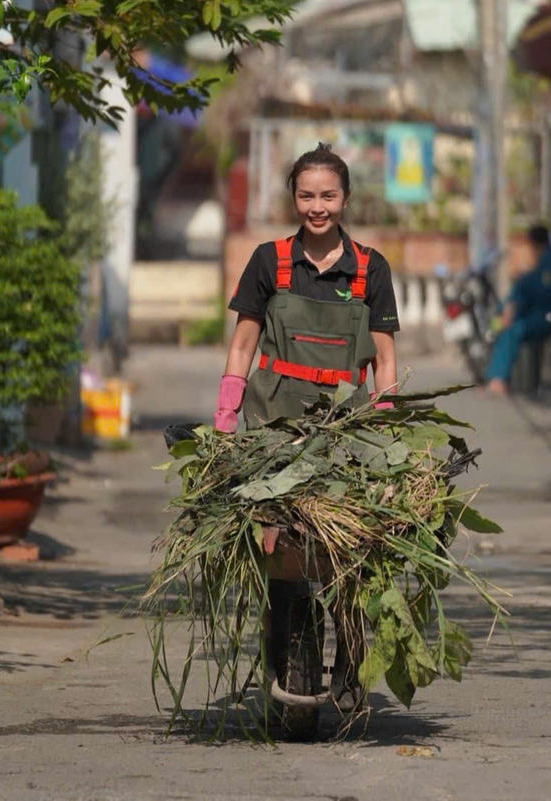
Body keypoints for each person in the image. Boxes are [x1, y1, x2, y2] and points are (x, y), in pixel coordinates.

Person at [212, 142, 400, 708]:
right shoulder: (269, 260)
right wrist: (225, 419)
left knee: (355, 548)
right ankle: (285, 642)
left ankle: (350, 646)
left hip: (346, 433)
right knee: (279, 547)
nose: (317, 206)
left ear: (344, 198)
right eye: (306, 195)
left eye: (328, 195)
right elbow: (244, 342)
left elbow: (385, 359)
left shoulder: (370, 268)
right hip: (275, 430)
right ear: (293, 197)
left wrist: (385, 430)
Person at [485, 224, 551, 396]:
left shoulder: (549, 263)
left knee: (514, 330)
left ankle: (498, 379)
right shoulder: (548, 259)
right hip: (550, 314)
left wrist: (514, 302)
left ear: (534, 244)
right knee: (507, 324)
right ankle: (498, 377)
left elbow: (537, 290)